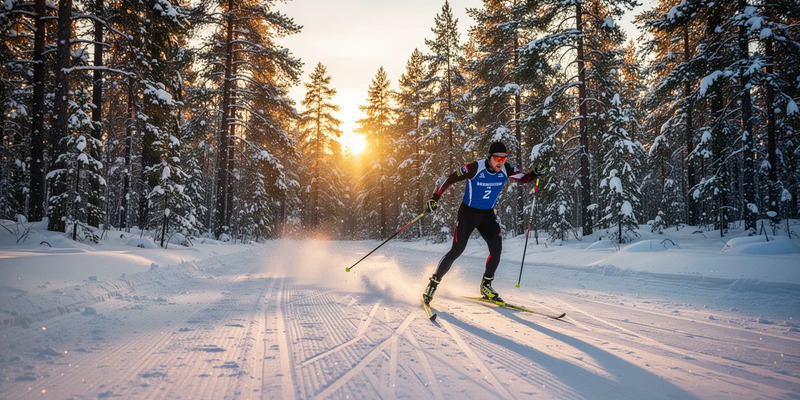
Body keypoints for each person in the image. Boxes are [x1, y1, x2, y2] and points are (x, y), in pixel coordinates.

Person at [422, 141, 545, 305]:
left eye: (503, 158)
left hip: (487, 215)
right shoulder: (474, 168)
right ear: (489, 157)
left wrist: (535, 173)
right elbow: (449, 179)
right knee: (457, 250)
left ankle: (486, 285)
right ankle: (433, 284)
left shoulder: (506, 169)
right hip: (467, 214)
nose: (500, 162)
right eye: (497, 158)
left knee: (497, 249)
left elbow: (524, 179)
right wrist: (435, 197)